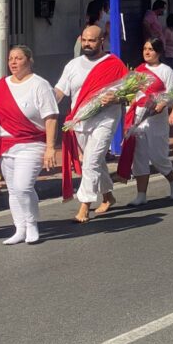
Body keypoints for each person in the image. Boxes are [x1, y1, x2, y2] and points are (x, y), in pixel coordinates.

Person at [0, 46, 58, 245]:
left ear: (29, 60)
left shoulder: (40, 85)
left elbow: (50, 118)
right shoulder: (1, 85)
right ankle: (20, 228)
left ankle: (32, 224)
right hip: (6, 145)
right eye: (10, 59)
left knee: (23, 186)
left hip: (31, 143)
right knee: (13, 189)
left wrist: (50, 147)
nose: (13, 62)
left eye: (18, 58)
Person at [56, 25, 128, 223]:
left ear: (101, 41)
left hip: (106, 119)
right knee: (95, 161)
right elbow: (60, 92)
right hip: (80, 121)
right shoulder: (72, 65)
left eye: (92, 40)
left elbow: (130, 93)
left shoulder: (114, 64)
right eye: (84, 40)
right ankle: (108, 196)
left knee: (90, 161)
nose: (87, 44)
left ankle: (84, 206)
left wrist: (116, 98)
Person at [117, 38, 173, 205]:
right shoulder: (138, 71)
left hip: (157, 117)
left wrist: (162, 103)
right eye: (145, 48)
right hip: (139, 116)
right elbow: (133, 93)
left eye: (151, 49)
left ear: (158, 52)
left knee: (158, 156)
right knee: (140, 155)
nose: (147, 52)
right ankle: (141, 195)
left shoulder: (166, 71)